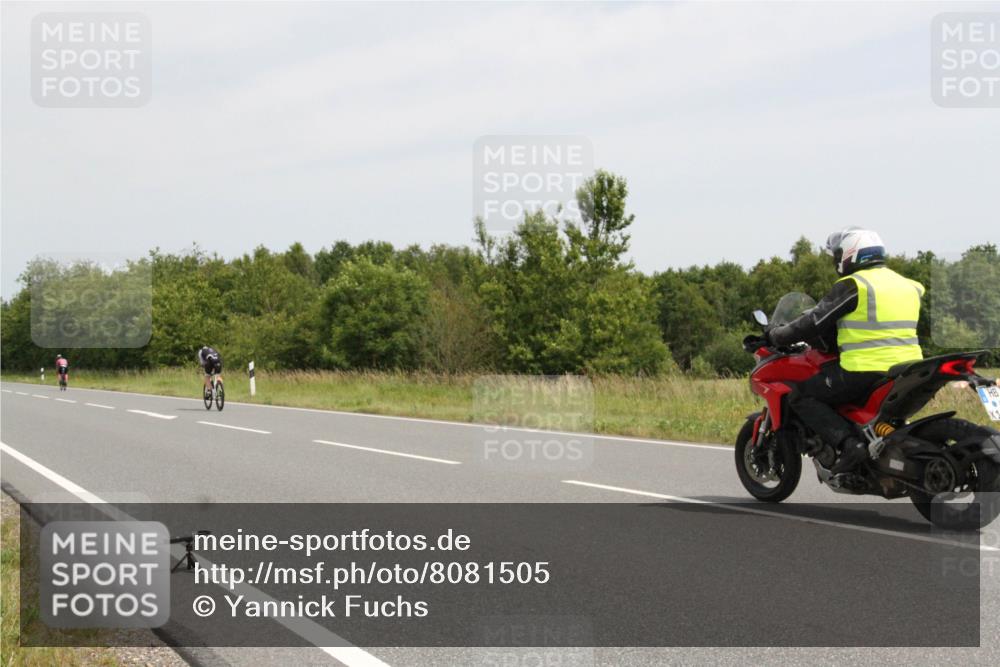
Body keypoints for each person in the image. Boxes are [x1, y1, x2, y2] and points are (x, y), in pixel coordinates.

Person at [766, 228, 924, 476]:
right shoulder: (909, 285)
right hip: (911, 369)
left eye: (838, 254)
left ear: (850, 255)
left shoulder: (855, 285)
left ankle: (850, 445)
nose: (835, 260)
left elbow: (815, 321)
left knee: (800, 395)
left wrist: (777, 335)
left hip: (865, 369)